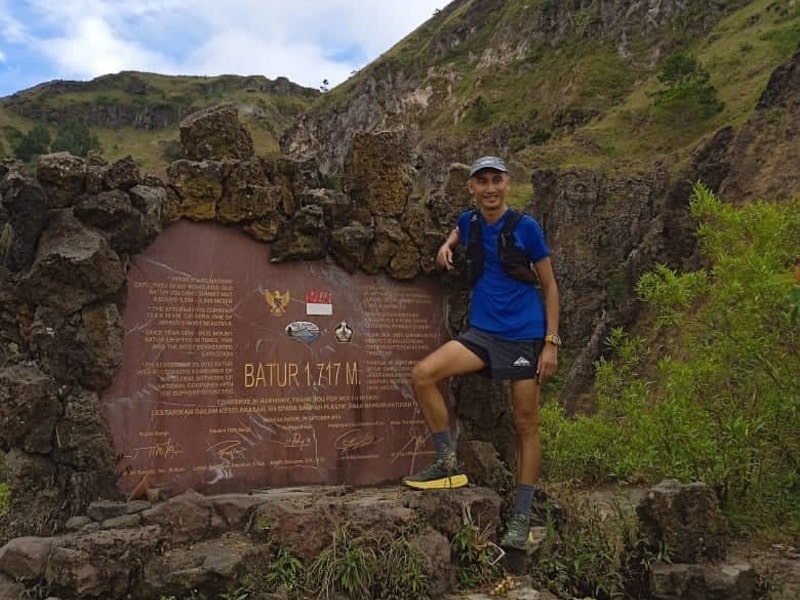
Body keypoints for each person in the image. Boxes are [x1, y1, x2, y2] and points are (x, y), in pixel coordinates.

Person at [402, 155, 560, 551]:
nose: (490, 189)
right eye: (482, 182)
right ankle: (447, 461)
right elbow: (459, 228)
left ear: (507, 184)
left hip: (525, 336)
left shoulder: (527, 228)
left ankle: (522, 516)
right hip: (482, 334)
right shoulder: (469, 222)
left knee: (526, 424)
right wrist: (446, 244)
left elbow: (551, 287)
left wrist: (551, 343)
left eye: (496, 181)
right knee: (423, 374)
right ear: (471, 187)